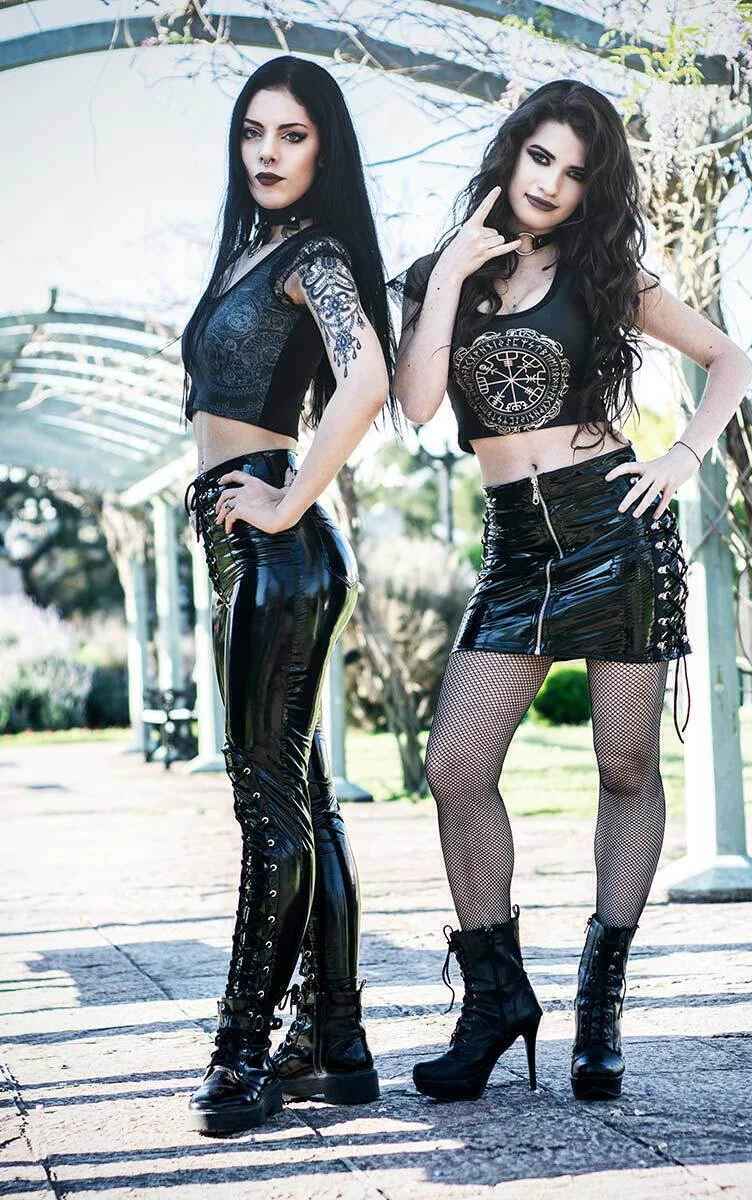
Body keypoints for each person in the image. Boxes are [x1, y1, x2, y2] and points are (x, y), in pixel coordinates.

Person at [391, 79, 752, 1104]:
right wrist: (449, 275)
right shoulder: (438, 275)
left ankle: (599, 1005)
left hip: (612, 528)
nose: (551, 182)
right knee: (454, 765)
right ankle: (495, 1000)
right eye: (539, 157)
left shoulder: (604, 274)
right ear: (511, 153)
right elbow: (416, 404)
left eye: (575, 171)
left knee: (624, 766)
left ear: (594, 188)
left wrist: (682, 455)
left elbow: (727, 358)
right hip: (514, 550)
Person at [181, 55, 397, 1134]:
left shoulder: (314, 254)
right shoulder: (255, 249)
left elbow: (366, 380)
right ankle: (335, 1041)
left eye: (292, 135)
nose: (267, 153)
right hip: (257, 550)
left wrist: (286, 498)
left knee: (267, 809)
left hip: (277, 551)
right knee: (302, 802)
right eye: (252, 132)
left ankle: (240, 1052)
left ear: (325, 148)